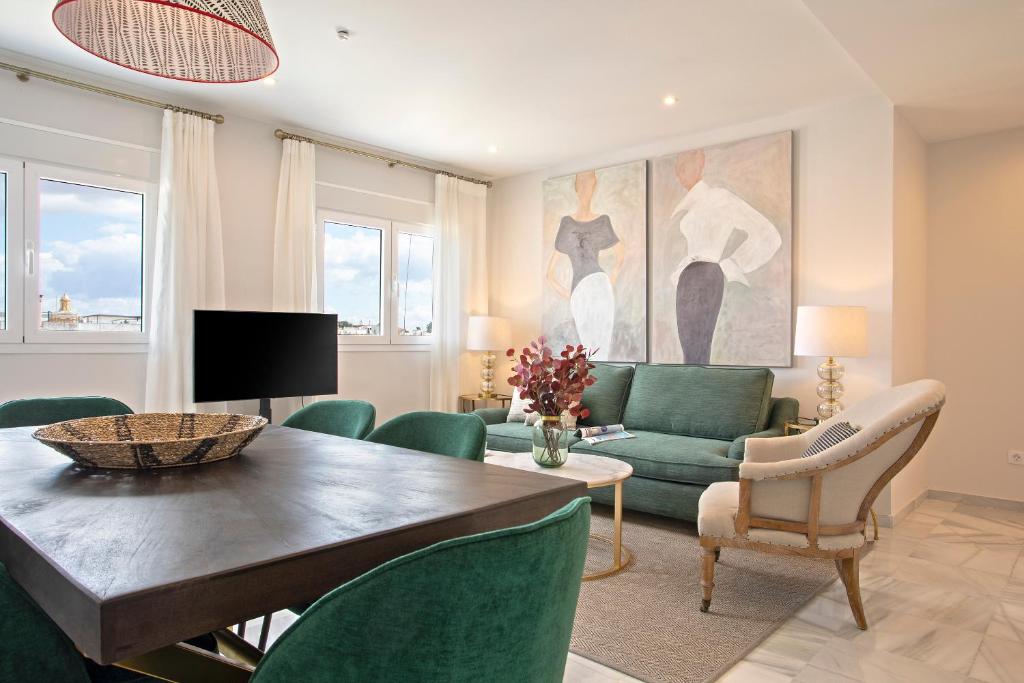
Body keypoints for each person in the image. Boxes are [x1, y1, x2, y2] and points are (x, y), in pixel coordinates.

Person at [669, 149, 781, 364]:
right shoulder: (687, 204)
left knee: (697, 354)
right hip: (688, 278)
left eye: (687, 163)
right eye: (678, 166)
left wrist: (732, 264)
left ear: (701, 163)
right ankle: (694, 393)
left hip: (705, 276)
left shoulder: (718, 197)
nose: (680, 170)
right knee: (691, 356)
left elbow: (768, 235)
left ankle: (699, 394)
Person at [546, 170, 624, 360]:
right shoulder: (567, 224)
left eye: (589, 184)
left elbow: (620, 254)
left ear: (594, 187)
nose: (585, 189)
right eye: (582, 184)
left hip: (600, 284)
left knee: (601, 349)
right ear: (576, 188)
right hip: (579, 291)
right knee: (589, 350)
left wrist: (610, 280)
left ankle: (602, 385)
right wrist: (571, 295)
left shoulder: (603, 221)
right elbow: (549, 274)